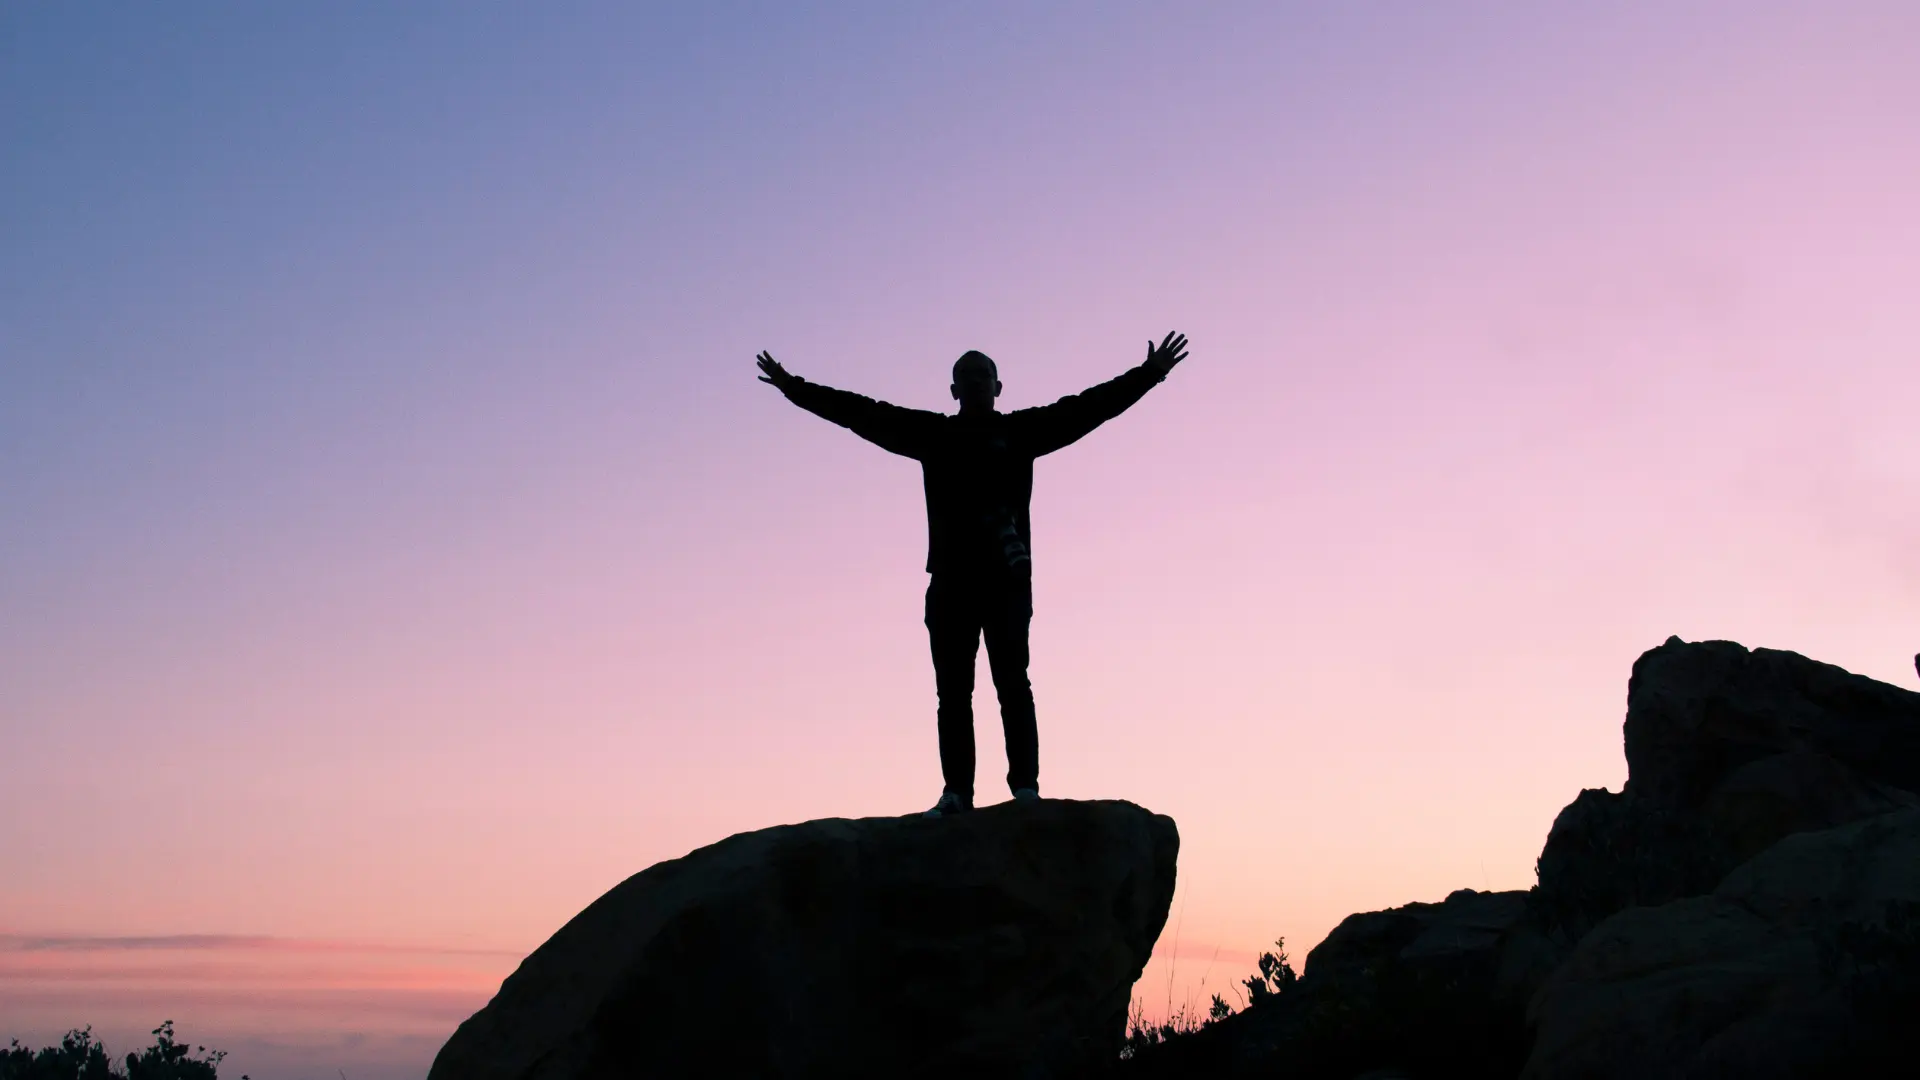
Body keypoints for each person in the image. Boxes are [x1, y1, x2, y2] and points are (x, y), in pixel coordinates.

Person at [755, 333, 1189, 817]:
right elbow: (862, 413)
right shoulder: (935, 436)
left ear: (998, 386)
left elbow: (1086, 409)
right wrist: (793, 387)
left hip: (1006, 579)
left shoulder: (1022, 432)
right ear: (953, 391)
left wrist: (1148, 374)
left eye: (983, 376)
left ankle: (1025, 789)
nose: (975, 382)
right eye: (966, 377)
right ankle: (957, 793)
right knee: (953, 693)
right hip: (951, 583)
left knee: (1012, 683)